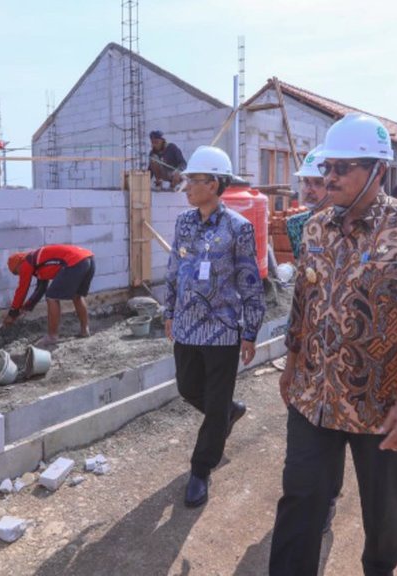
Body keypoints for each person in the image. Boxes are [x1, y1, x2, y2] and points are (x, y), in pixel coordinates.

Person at [269, 113, 397, 576]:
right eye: (327, 168)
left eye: (343, 168)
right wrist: (291, 362)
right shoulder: (317, 226)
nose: (330, 177)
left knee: (382, 510)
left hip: (381, 404)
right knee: (300, 499)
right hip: (313, 396)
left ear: (378, 171)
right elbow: (303, 301)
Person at [163, 145, 265, 508]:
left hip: (223, 329)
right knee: (188, 387)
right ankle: (227, 412)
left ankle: (200, 469)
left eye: (194, 179)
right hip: (188, 326)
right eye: (187, 178)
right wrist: (169, 311)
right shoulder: (184, 223)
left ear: (215, 184)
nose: (186, 185)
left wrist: (250, 330)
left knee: (216, 397)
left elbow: (249, 280)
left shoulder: (239, 228)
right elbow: (174, 269)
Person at [3, 244, 95, 346]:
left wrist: (12, 314)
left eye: (17, 272)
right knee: (77, 296)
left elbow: (22, 289)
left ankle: (52, 336)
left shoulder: (26, 262)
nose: (20, 274)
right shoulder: (38, 261)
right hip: (88, 259)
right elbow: (41, 289)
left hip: (75, 262)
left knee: (52, 297)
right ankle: (84, 331)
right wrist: (26, 307)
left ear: (18, 264)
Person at [286, 146, 331, 260]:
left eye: (317, 183)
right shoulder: (295, 224)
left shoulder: (347, 225)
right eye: (306, 182)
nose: (307, 190)